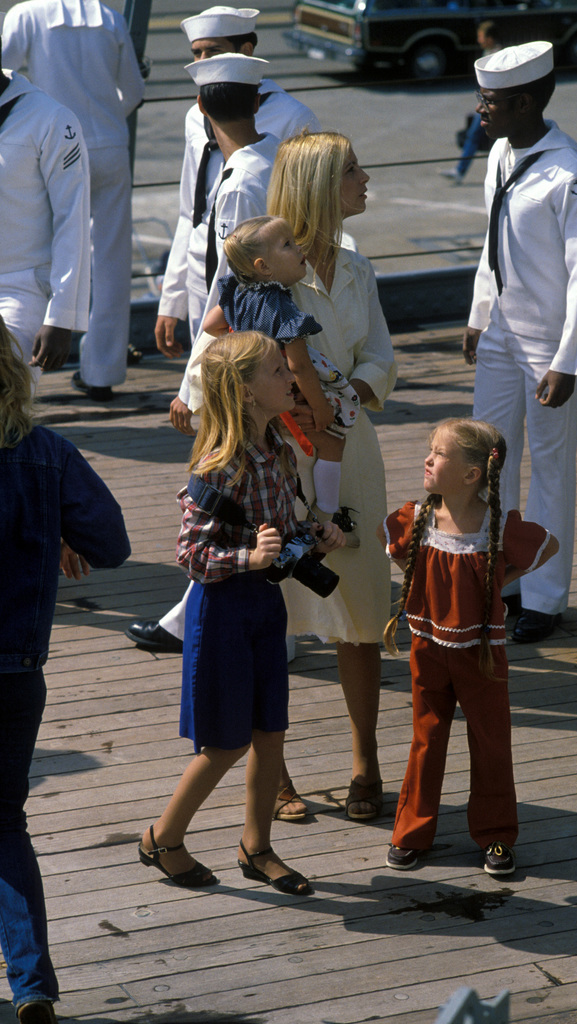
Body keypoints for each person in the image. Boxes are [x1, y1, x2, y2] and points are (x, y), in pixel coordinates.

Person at [137, 330, 344, 896]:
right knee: (225, 742)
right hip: (223, 609)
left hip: (262, 606)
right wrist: (248, 557)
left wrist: (312, 536)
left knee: (269, 732)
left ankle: (257, 848)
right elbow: (190, 554)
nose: (291, 379)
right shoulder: (219, 464)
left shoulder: (276, 444)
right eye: (279, 372)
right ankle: (163, 837)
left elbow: (277, 523)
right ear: (248, 393)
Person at [125, 50, 281, 655]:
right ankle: (185, 616)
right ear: (257, 100)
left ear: (200, 106)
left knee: (227, 491)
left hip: (240, 360)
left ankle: (201, 619)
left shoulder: (242, 179)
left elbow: (229, 286)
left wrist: (194, 383)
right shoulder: (257, 163)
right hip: (254, 354)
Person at [0, 315, 130, 1023]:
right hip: (16, 670)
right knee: (5, 822)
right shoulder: (45, 453)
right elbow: (110, 543)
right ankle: (33, 986)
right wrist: (47, 523)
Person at [267, 130, 398, 820]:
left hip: (351, 454)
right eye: (353, 170)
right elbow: (216, 353)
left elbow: (381, 355)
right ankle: (275, 775)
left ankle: (365, 762)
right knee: (270, 610)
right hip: (280, 453)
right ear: (321, 185)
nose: (366, 178)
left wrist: (348, 396)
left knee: (362, 608)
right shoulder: (261, 270)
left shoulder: (356, 267)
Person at [462, 40, 577, 644]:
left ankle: (544, 595)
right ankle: (503, 577)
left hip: (549, 345)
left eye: (489, 101)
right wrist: (478, 315)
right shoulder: (500, 152)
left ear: (523, 101)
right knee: (489, 460)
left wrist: (570, 360)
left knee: (548, 467)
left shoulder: (570, 173)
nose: (479, 110)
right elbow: (490, 243)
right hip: (501, 336)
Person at [379, 419, 557, 875]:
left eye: (439, 454)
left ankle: (496, 835)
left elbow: (548, 546)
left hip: (481, 652)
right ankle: (412, 831)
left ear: (472, 474)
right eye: (430, 450)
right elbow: (398, 550)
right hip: (428, 648)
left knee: (490, 741)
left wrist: (497, 583)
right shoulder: (419, 519)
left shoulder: (495, 527)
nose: (428, 458)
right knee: (426, 737)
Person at [155, 5, 321, 365]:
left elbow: (307, 210)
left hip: (258, 279)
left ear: (246, 51)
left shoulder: (294, 117)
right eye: (195, 54)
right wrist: (173, 299)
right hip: (202, 269)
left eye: (211, 52)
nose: (201, 62)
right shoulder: (195, 115)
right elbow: (191, 210)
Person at [2, 0, 145, 402]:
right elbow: (133, 89)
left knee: (54, 233)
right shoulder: (111, 19)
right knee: (113, 260)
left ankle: (45, 334)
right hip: (108, 144)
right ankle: (102, 370)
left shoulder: (27, 14)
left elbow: (7, 69)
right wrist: (104, 119)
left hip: (43, 145)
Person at [202, 214, 361, 531]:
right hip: (285, 395)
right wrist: (320, 410)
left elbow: (210, 325)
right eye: (288, 244)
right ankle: (327, 514)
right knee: (332, 444)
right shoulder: (281, 308)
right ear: (264, 267)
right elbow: (299, 366)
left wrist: (243, 346)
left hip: (253, 390)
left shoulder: (236, 290)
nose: (299, 246)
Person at [0, 39, 90, 380]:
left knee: (9, 404)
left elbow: (73, 218)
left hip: (21, 287)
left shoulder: (49, 119)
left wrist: (62, 316)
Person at [441, 21, 500, 185]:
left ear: (490, 38)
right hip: (485, 104)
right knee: (475, 137)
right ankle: (461, 171)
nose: (479, 40)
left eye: (481, 37)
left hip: (493, 106)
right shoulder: (487, 51)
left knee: (487, 139)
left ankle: (463, 171)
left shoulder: (497, 56)